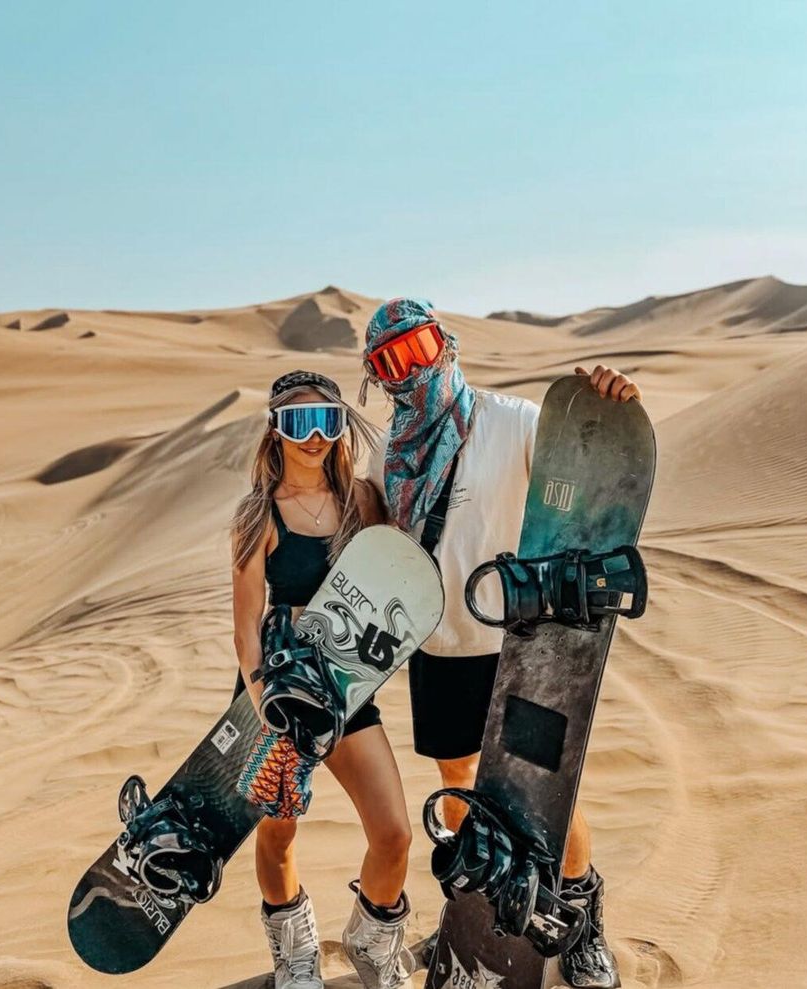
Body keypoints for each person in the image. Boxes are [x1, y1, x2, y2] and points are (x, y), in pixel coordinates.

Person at [359, 299, 642, 989]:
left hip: (520, 648)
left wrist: (611, 400)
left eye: (419, 345)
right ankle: (476, 914)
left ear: (446, 342)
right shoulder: (387, 449)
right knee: (459, 787)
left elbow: (585, 447)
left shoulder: (508, 421)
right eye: (390, 361)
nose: (413, 367)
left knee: (546, 797)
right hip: (437, 646)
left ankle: (581, 919)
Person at [231, 370, 415, 989]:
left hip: (344, 691)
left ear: (341, 429)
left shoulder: (363, 501)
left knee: (393, 833)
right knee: (279, 833)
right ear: (275, 431)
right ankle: (295, 952)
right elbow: (246, 626)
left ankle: (371, 940)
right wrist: (265, 709)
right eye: (297, 423)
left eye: (327, 422)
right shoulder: (256, 515)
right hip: (277, 694)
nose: (313, 437)